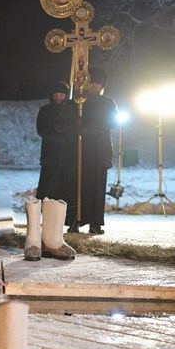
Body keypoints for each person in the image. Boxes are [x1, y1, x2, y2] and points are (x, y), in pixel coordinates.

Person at [60, 67, 117, 234]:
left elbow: (112, 122)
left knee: (96, 187)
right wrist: (74, 124)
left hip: (98, 151)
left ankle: (95, 222)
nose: (93, 86)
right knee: (74, 185)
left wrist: (89, 129)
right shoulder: (74, 103)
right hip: (76, 151)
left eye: (97, 84)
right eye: (92, 82)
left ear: (102, 86)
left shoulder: (107, 103)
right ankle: (74, 221)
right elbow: (62, 124)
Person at [35, 80, 70, 200]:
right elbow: (41, 130)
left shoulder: (70, 111)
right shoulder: (45, 110)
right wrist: (61, 137)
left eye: (61, 95)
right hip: (49, 155)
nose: (58, 98)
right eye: (55, 95)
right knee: (47, 184)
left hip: (66, 155)